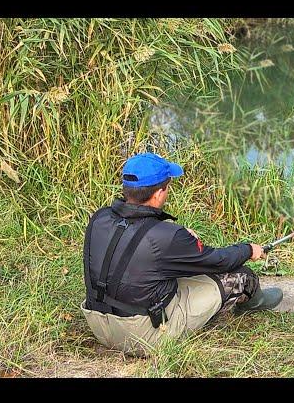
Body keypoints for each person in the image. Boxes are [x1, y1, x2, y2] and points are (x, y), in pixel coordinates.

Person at [81, 152, 283, 355]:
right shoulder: (167, 237)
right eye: (167, 188)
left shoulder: (100, 218)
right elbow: (219, 261)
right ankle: (255, 302)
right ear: (159, 193)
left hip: (99, 324)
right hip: (141, 337)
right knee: (242, 276)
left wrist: (177, 237)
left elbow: (136, 242)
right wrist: (249, 249)